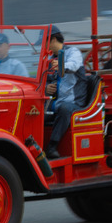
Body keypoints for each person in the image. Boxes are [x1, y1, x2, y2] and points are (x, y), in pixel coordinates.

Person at [44, 25, 88, 159]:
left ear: (53, 40)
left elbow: (73, 65)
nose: (43, 47)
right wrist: (46, 88)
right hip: (57, 102)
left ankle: (52, 146)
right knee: (36, 113)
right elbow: (43, 79)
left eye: (44, 42)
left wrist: (61, 66)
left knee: (64, 109)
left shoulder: (73, 52)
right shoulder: (49, 58)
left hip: (75, 102)